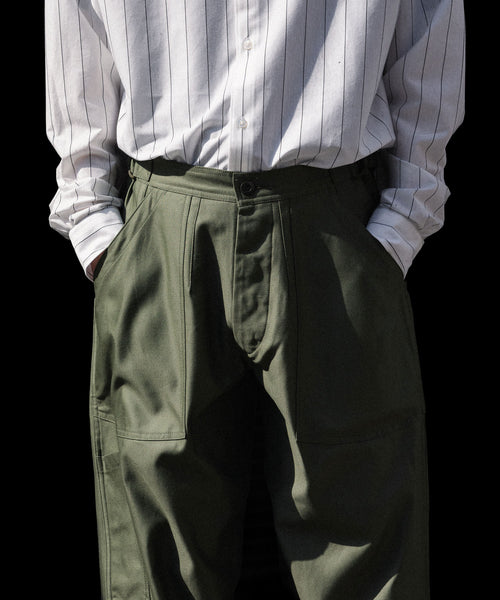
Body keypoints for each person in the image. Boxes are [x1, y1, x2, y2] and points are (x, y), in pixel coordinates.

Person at [45, 1, 465, 598]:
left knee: (361, 531)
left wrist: (400, 223)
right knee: (156, 550)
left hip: (334, 228)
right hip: (162, 226)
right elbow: (77, 23)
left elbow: (429, 25)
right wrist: (95, 225)